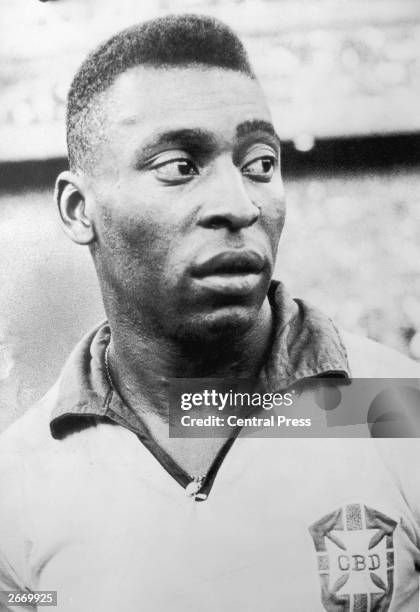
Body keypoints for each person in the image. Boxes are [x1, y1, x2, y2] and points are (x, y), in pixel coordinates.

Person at [1, 14, 420, 612]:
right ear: (78, 209)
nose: (239, 204)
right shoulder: (18, 484)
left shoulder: (398, 410)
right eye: (180, 166)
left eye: (260, 164)